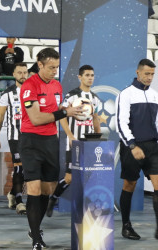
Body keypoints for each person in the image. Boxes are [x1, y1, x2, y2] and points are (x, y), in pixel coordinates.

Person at [19, 48, 83, 250]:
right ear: (40, 65)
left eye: (56, 67)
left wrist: (69, 122)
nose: (55, 71)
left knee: (48, 190)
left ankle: (34, 227)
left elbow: (57, 112)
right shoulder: (29, 86)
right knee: (34, 189)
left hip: (50, 141)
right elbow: (37, 118)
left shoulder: (56, 85)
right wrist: (64, 113)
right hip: (31, 141)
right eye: (51, 67)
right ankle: (36, 238)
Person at [116, 59, 158, 242]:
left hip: (152, 146)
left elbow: (157, 124)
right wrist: (133, 146)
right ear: (138, 72)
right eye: (147, 74)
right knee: (130, 185)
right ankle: (126, 226)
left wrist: (156, 143)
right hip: (132, 147)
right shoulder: (125, 94)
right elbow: (121, 123)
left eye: (152, 74)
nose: (150, 77)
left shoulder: (156, 96)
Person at [46, 65, 101, 217]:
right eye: (87, 75)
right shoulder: (71, 96)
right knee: (70, 178)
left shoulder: (95, 98)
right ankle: (54, 198)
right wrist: (70, 135)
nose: (90, 78)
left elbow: (95, 118)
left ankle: (86, 210)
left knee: (88, 177)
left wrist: (98, 135)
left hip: (89, 143)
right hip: (74, 143)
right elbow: (61, 115)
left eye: (92, 75)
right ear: (80, 77)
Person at [0, 62, 28, 215]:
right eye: (19, 72)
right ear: (14, 74)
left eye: (25, 72)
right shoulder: (7, 93)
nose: (23, 75)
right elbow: (0, 117)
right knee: (19, 167)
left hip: (31, 136)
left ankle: (13, 193)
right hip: (15, 136)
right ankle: (20, 202)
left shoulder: (34, 90)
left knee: (27, 169)